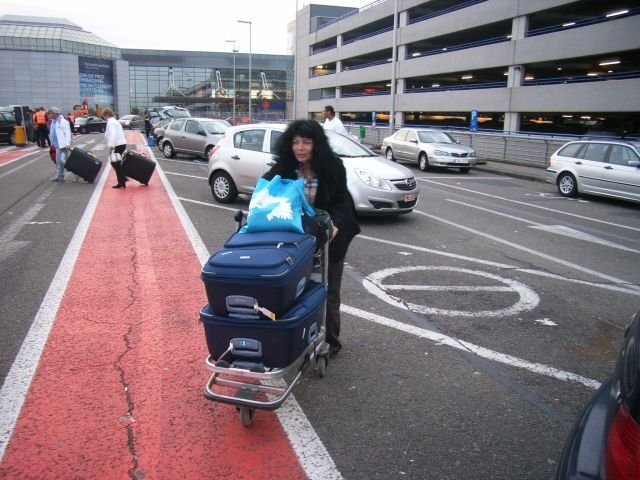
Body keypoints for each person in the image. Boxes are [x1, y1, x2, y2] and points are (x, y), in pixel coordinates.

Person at [264, 120, 360, 356]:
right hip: (296, 241)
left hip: (330, 238)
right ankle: (300, 336)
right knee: (296, 289)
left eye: (306, 142)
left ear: (316, 144)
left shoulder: (332, 166)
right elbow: (264, 190)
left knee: (329, 290)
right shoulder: (285, 167)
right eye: (296, 142)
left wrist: (334, 225)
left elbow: (342, 202)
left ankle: (331, 342)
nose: (300, 147)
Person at [103, 108, 127, 189]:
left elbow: (113, 134)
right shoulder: (114, 121)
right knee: (116, 163)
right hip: (121, 143)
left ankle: (122, 180)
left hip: (117, 144)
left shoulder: (111, 123)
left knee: (115, 163)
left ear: (107, 115)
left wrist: (111, 145)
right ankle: (122, 180)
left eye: (104, 116)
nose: (104, 117)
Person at [48, 107, 72, 182]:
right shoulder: (53, 121)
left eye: (50, 113)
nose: (49, 115)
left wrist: (68, 143)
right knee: (59, 161)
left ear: (55, 114)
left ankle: (76, 172)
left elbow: (67, 132)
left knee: (62, 161)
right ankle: (60, 176)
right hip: (57, 145)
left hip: (62, 145)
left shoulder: (62, 121)